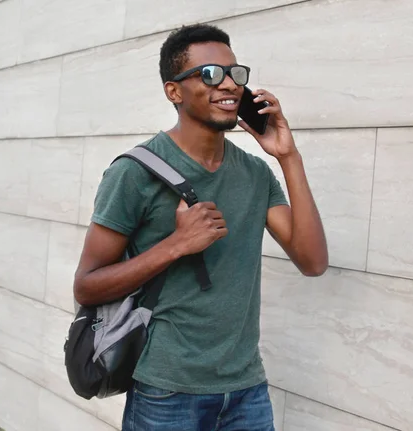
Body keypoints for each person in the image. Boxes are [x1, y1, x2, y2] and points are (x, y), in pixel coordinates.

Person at [73, 23, 328, 431]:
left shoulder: (255, 173)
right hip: (166, 391)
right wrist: (176, 245)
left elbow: (313, 261)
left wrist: (289, 156)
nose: (229, 84)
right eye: (210, 74)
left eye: (235, 73)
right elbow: (86, 285)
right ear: (174, 91)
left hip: (247, 390)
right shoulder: (133, 173)